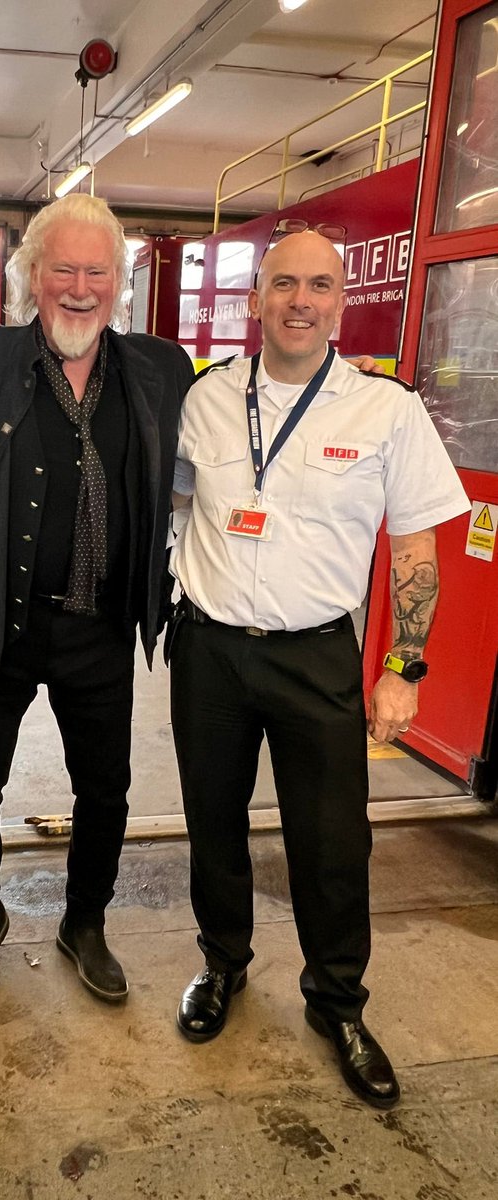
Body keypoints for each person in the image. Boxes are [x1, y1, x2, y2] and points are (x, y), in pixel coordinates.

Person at [168, 230, 469, 1108]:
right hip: (211, 651)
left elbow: (415, 549)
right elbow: (180, 507)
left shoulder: (387, 410)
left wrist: (403, 668)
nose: (302, 301)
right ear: (257, 298)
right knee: (213, 825)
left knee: (334, 843)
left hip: (317, 655)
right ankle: (222, 966)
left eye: (320, 287)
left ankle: (336, 1004)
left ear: (343, 303)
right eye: (285, 284)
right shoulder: (207, 400)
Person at [0, 194, 196, 1004]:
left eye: (97, 271)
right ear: (29, 277)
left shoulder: (160, 369)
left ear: (121, 281)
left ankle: (86, 921)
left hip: (102, 628)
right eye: (62, 270)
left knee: (106, 788)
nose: (79, 288)